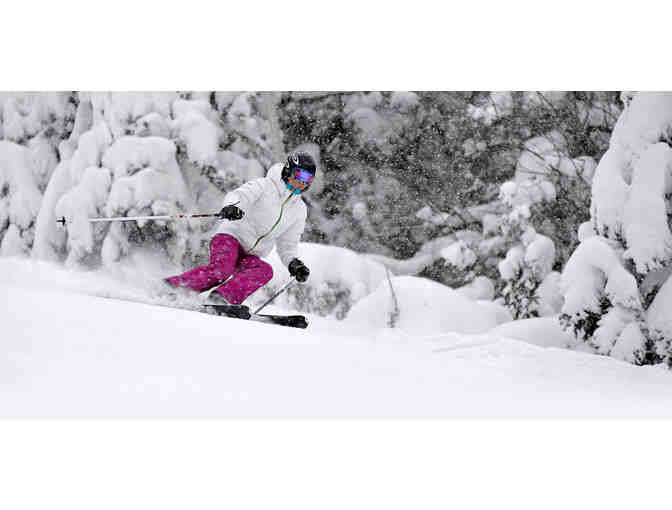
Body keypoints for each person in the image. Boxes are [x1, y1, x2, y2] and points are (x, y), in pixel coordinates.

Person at [164, 151, 314, 311]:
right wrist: (233, 206)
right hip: (230, 238)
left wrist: (293, 263)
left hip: (251, 254)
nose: (302, 182)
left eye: (308, 179)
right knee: (221, 270)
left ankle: (221, 299)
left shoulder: (299, 210)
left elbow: (288, 243)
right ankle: (174, 287)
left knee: (264, 271)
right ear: (288, 170)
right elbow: (240, 195)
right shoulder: (264, 186)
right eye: (299, 175)